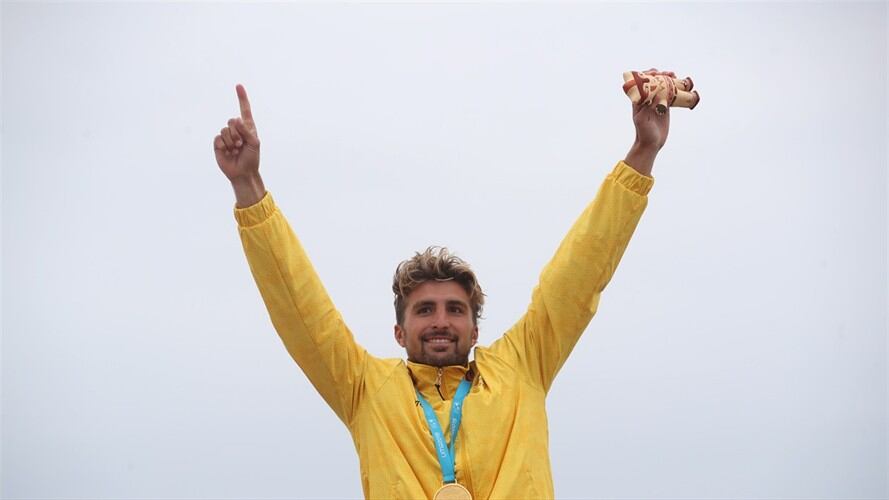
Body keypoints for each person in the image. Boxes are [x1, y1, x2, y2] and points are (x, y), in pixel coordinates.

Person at [213, 82, 668, 499]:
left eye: (455, 310)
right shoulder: (365, 391)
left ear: (474, 331)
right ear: (398, 331)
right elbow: (299, 306)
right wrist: (247, 184)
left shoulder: (524, 366)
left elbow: (581, 271)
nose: (440, 321)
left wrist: (643, 151)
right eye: (424, 310)